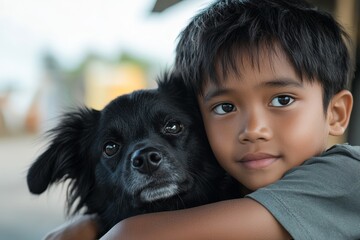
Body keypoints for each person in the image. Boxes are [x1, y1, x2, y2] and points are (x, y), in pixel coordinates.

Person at [43, 0, 360, 239]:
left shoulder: (346, 176)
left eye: (282, 99)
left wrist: (97, 228)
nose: (252, 130)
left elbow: (130, 236)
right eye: (225, 108)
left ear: (336, 113)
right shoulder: (240, 179)